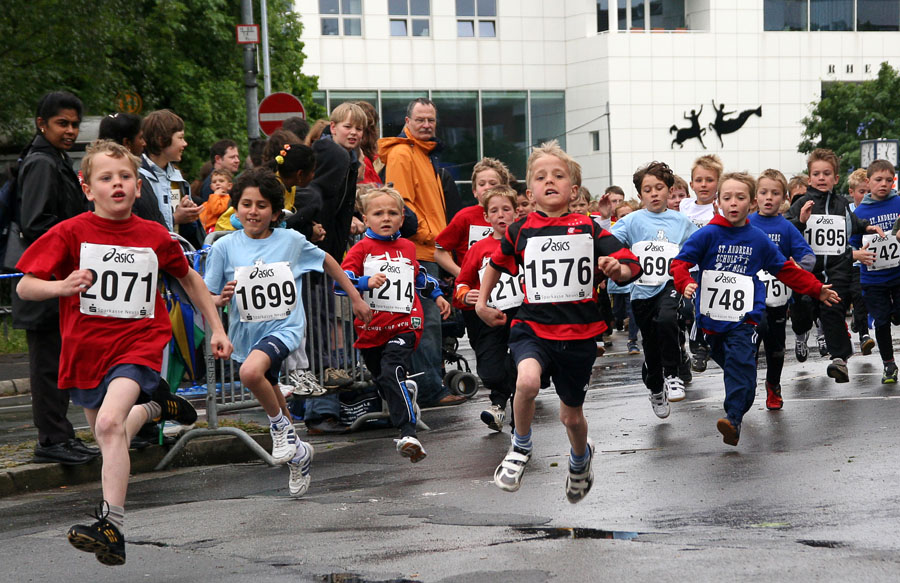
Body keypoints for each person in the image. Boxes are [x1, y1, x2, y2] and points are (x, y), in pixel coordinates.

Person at [16, 139, 232, 565]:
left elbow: (188, 279)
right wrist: (60, 286)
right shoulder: (71, 232)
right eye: (106, 178)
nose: (117, 184)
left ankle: (111, 525)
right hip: (85, 349)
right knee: (108, 433)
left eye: (125, 177)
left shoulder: (154, 235)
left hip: (139, 342)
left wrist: (217, 328)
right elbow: (24, 285)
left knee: (111, 423)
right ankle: (156, 408)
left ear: (137, 187)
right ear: (87, 188)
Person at [475, 140, 641, 503]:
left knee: (571, 418)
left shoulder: (589, 229)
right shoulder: (520, 230)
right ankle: (520, 447)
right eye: (540, 176)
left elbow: (630, 265)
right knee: (528, 381)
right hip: (533, 326)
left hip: (579, 334)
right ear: (530, 192)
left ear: (574, 189)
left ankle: (580, 460)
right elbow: (495, 265)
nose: (549, 181)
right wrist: (482, 304)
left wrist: (618, 268)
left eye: (559, 175)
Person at [203, 167, 371, 495]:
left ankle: (280, 428)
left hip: (286, 327)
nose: (253, 211)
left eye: (262, 205)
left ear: (276, 212)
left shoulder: (291, 241)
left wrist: (354, 297)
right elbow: (207, 294)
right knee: (265, 382)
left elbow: (328, 262)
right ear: (235, 207)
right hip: (246, 333)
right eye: (246, 204)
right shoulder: (223, 247)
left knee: (252, 374)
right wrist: (219, 299)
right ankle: (298, 453)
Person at [671, 172, 840, 446]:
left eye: (740, 198)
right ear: (718, 202)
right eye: (727, 198)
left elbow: (785, 269)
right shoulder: (707, 235)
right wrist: (685, 282)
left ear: (750, 203)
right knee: (738, 371)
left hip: (745, 318)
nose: (733, 203)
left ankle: (733, 419)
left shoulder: (758, 239)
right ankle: (740, 401)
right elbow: (680, 263)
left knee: (740, 365)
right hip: (711, 321)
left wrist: (815, 288)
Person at [7, 91, 97, 465]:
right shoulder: (43, 163)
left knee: (57, 360)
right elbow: (36, 223)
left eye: (75, 124)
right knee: (47, 364)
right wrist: (80, 230)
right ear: (42, 124)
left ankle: (60, 434)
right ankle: (51, 438)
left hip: (54, 280)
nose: (71, 130)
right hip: (43, 279)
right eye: (63, 123)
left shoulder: (52, 158)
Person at [339, 187, 451, 461]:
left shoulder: (407, 247)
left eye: (392, 213)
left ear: (402, 219)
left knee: (391, 372)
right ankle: (406, 389)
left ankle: (408, 432)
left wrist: (437, 295)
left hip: (405, 323)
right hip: (371, 328)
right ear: (366, 219)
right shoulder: (361, 249)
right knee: (384, 380)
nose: (386, 218)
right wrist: (365, 283)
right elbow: (339, 282)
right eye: (378, 213)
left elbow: (418, 275)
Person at [378, 98, 464, 407]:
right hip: (420, 251)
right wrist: (434, 236)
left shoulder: (423, 154)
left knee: (430, 321)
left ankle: (430, 386)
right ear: (407, 121)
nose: (426, 124)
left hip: (429, 249)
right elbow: (403, 206)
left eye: (431, 120)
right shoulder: (403, 153)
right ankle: (429, 390)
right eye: (421, 120)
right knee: (425, 322)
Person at [784, 148, 883, 383]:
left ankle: (840, 359)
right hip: (808, 272)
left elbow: (853, 222)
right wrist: (801, 221)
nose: (821, 178)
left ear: (835, 178)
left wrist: (867, 227)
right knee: (802, 314)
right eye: (816, 174)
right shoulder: (801, 204)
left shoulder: (841, 204)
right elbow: (786, 228)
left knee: (833, 310)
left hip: (838, 269)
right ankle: (804, 328)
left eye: (826, 173)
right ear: (809, 178)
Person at [611, 162, 697, 418]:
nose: (654, 193)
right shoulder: (631, 221)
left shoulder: (681, 222)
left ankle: (672, 375)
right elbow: (608, 242)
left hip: (670, 285)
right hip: (641, 292)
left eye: (659, 188)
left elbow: (698, 246)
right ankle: (656, 388)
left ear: (670, 190)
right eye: (647, 190)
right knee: (650, 345)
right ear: (640, 195)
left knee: (668, 319)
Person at [454, 186, 521, 432]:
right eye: (494, 211)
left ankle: (507, 410)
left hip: (520, 314)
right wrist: (466, 295)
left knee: (523, 363)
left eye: (506, 209)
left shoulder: (526, 243)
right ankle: (501, 399)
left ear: (517, 213)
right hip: (485, 317)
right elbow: (461, 282)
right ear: (486, 217)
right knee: (491, 371)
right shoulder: (479, 248)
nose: (501, 215)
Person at [749, 169, 816, 410]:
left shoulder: (786, 227)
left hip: (778, 300)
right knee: (750, 348)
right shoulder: (745, 224)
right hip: (750, 301)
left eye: (775, 193)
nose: (769, 198)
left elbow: (808, 255)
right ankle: (745, 388)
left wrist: (799, 266)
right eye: (764, 192)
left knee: (776, 350)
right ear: (755, 197)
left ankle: (773, 385)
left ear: (784, 198)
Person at [849, 159, 900, 383]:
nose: (884, 184)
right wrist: (858, 252)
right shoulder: (860, 212)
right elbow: (850, 243)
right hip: (873, 277)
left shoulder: (898, 202)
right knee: (881, 322)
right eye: (878, 180)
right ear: (868, 182)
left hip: (898, 274)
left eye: (889, 180)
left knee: (897, 315)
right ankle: (889, 364)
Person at [680, 154, 723, 373]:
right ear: (692, 184)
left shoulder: (721, 208)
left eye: (709, 180)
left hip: (711, 270)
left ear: (718, 183)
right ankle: (691, 345)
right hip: (687, 268)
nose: (704, 185)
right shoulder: (684, 206)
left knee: (700, 307)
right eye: (699, 180)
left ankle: (699, 347)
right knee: (686, 310)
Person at [435, 157, 511, 278]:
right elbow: (439, 252)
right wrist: (461, 274)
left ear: (504, 188)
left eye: (493, 183)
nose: (487, 187)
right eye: (482, 184)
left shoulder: (512, 218)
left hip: (504, 288)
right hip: (471, 290)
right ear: (474, 191)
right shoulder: (464, 216)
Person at [138, 110, 203, 248]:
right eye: (180, 138)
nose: (185, 144)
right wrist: (175, 219)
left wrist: (190, 216)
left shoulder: (176, 178)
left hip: (175, 255)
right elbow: (141, 224)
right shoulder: (135, 177)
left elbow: (183, 231)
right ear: (161, 140)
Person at [846, 168, 875, 355]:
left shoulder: (873, 210)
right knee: (857, 294)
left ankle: (860, 321)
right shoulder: (846, 211)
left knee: (865, 297)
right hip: (849, 261)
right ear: (851, 193)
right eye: (861, 192)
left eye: (868, 192)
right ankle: (864, 335)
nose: (865, 196)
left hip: (869, 261)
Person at [199, 168, 233, 233]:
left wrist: (215, 195)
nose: (217, 183)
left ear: (229, 186)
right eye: (214, 182)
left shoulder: (228, 199)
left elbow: (216, 210)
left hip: (218, 230)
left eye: (221, 181)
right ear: (211, 187)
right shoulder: (208, 201)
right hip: (206, 230)